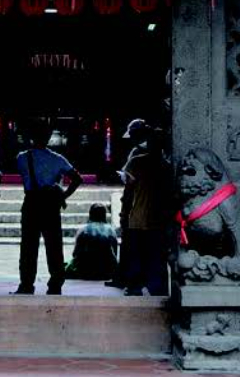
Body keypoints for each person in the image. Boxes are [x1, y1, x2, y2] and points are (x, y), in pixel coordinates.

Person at [14, 121, 81, 295]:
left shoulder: (22, 158)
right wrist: (63, 196)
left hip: (31, 203)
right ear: (48, 137)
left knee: (28, 247)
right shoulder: (58, 159)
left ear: (31, 137)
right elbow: (77, 178)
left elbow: (23, 174)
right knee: (54, 246)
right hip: (51, 206)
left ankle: (26, 284)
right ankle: (55, 284)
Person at [117, 118, 173, 296]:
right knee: (156, 258)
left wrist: (124, 215)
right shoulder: (167, 167)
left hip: (138, 219)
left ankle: (135, 287)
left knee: (137, 256)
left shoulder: (136, 162)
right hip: (159, 221)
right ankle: (157, 289)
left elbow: (128, 193)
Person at [65, 203, 121, 282]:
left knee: (66, 265)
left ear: (90, 215)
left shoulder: (83, 230)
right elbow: (115, 254)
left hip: (84, 271)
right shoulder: (111, 231)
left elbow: (75, 254)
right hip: (106, 271)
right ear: (104, 216)